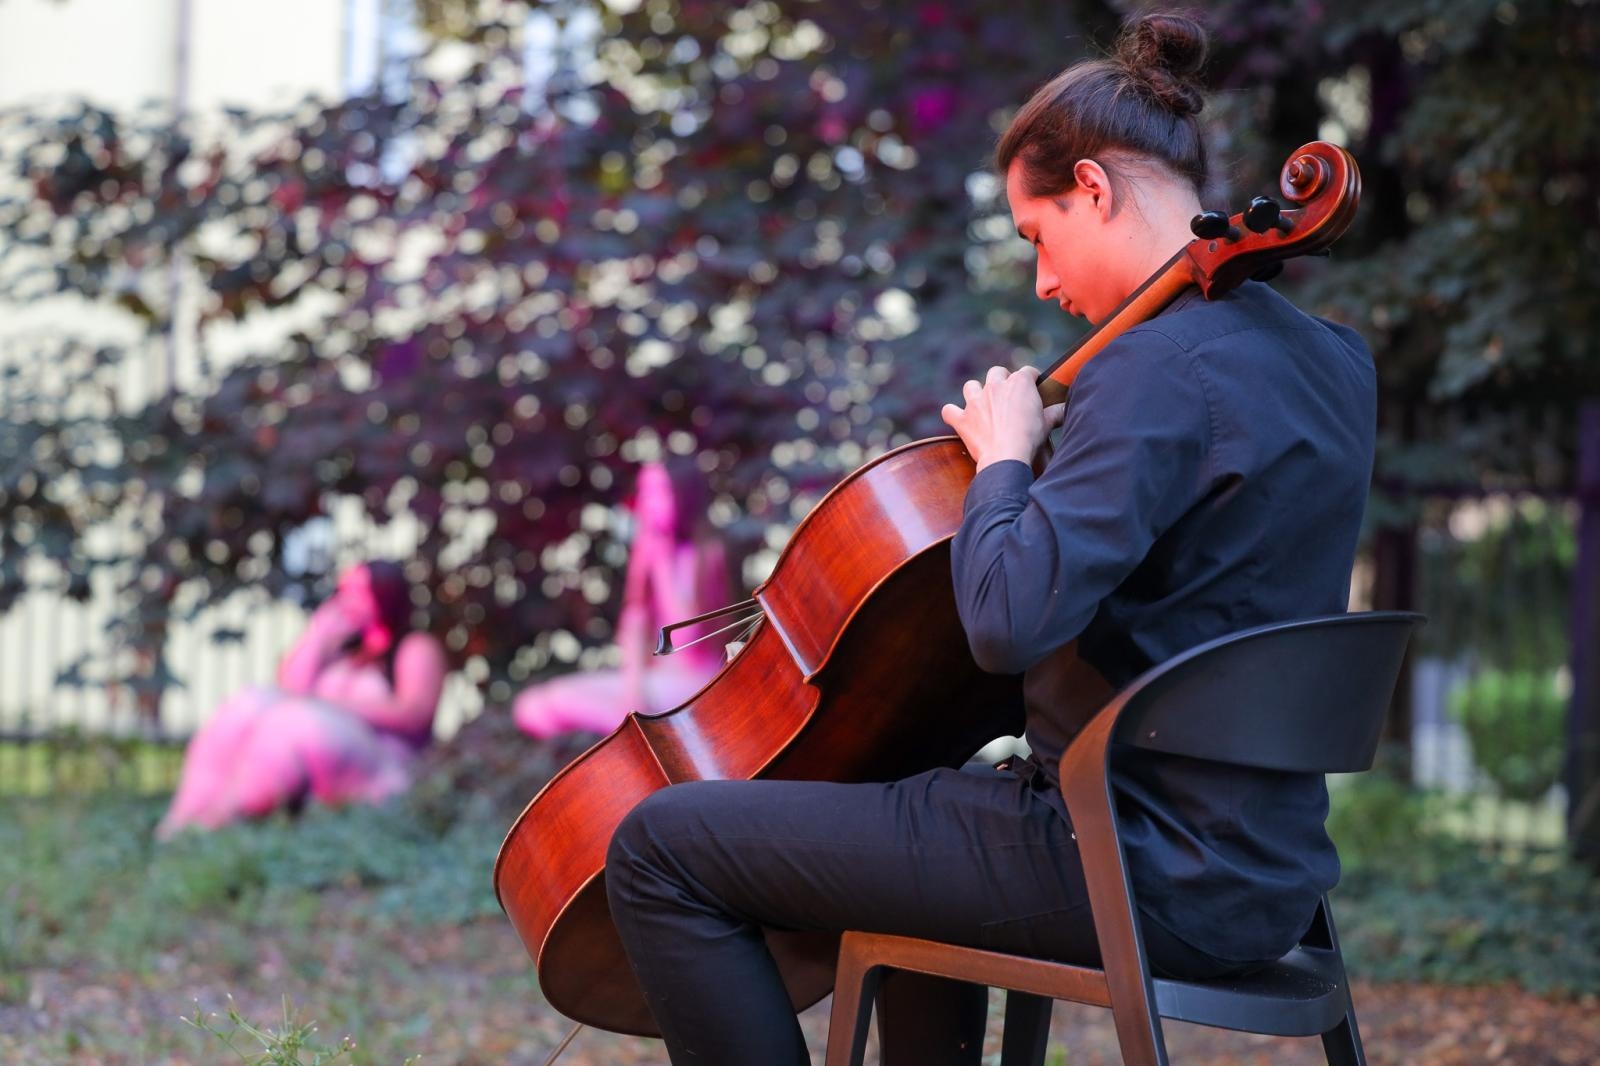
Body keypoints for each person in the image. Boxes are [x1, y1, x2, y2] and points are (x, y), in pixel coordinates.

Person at [602, 12, 1377, 1065]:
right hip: (1262, 873)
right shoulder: (1333, 364)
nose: (1044, 282)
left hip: (1119, 859)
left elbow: (1006, 623)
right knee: (930, 838)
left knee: (659, 843)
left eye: (1036, 235)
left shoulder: (1148, 371)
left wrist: (1006, 457)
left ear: (1094, 190)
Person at [156, 560, 447, 838]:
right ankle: (181, 821)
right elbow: (290, 690)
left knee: (291, 723)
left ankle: (216, 823)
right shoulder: (343, 646)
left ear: (386, 596)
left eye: (357, 591)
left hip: (383, 764)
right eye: (343, 591)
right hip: (323, 743)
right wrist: (318, 637)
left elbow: (414, 713)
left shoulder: (415, 647)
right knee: (250, 704)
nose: (346, 600)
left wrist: (330, 705)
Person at [512, 459, 731, 740]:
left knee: (558, 701)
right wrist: (633, 688)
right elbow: (632, 629)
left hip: (693, 686)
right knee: (530, 707)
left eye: (659, 492)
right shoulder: (649, 551)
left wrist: (661, 564)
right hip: (649, 684)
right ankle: (638, 731)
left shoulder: (705, 555)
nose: (648, 503)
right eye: (645, 492)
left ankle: (644, 733)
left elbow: (687, 640)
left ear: (683, 496)